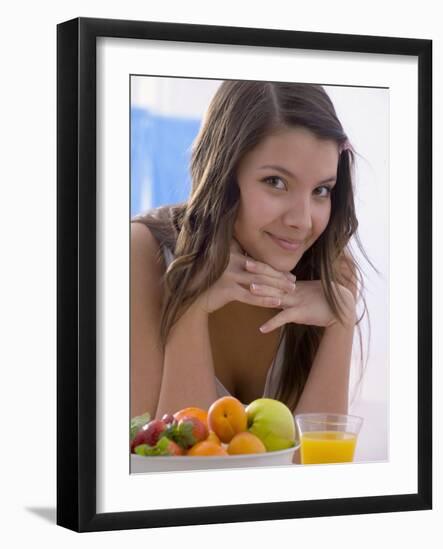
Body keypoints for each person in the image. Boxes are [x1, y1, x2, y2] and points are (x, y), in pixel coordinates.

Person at [130, 80, 374, 421]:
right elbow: (157, 459)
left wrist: (341, 322)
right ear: (224, 174)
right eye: (276, 182)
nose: (302, 222)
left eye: (321, 190)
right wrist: (190, 307)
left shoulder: (330, 271)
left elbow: (317, 468)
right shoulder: (141, 254)